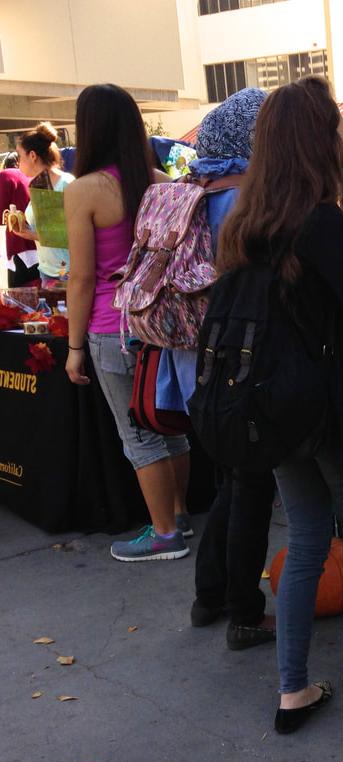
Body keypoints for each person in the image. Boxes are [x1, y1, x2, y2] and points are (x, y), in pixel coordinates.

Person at [215, 76, 343, 734]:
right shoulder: (322, 220)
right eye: (336, 126)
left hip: (273, 409)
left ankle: (293, 689)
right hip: (331, 406)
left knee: (304, 541)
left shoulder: (246, 224)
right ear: (316, 140)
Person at [63, 84, 193, 561]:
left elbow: (80, 277)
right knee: (169, 424)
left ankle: (164, 535)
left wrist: (74, 347)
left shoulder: (84, 191)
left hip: (109, 327)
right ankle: (178, 518)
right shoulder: (160, 182)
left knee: (139, 434)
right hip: (159, 324)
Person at [175, 88, 280, 651]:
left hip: (200, 362)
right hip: (240, 363)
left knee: (232, 484)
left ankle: (208, 594)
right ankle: (243, 611)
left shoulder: (197, 187)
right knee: (252, 486)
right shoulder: (241, 200)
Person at [9, 123, 74, 288]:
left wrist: (30, 234)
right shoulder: (39, 183)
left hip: (67, 273)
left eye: (20, 156)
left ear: (32, 155)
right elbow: (49, 230)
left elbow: (71, 235)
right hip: (48, 271)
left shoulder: (65, 184)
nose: (18, 163)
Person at [0, 163, 36, 285]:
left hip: (22, 248)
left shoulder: (6, 175)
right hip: (41, 247)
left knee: (19, 301)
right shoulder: (30, 175)